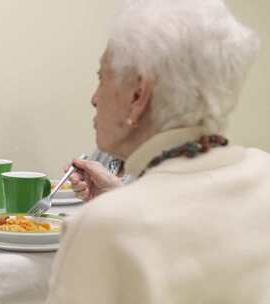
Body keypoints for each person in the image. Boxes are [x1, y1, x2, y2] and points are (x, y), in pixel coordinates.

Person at [47, 0, 269, 303]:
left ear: (139, 94)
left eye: (102, 77)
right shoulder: (263, 174)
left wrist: (117, 206)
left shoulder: (102, 228)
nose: (94, 98)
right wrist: (120, 195)